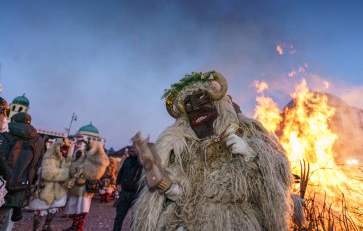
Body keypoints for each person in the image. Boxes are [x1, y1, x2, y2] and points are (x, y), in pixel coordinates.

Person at [132, 71, 293, 231]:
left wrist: (250, 153)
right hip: (192, 220)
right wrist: (174, 191)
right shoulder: (185, 149)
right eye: (188, 105)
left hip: (234, 222)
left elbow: (274, 177)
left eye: (202, 100)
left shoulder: (244, 134)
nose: (195, 108)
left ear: (217, 104)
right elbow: (178, 185)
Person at [0, 112, 45, 230]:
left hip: (2, 185)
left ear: (14, 121)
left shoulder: (4, 135)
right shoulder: (39, 141)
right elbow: (38, 166)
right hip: (20, 188)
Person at [63, 140, 109, 231]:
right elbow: (74, 167)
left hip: (86, 187)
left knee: (82, 207)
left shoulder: (99, 157)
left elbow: (98, 171)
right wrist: (77, 171)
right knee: (75, 207)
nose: (88, 147)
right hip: (77, 186)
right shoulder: (84, 156)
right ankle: (74, 226)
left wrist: (84, 172)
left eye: (90, 146)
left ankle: (79, 227)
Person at [28, 139, 72, 231]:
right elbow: (48, 174)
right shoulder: (50, 157)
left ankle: (47, 226)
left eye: (66, 149)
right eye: (62, 148)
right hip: (45, 189)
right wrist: (66, 173)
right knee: (40, 210)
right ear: (57, 148)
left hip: (59, 191)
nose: (64, 151)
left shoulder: (66, 160)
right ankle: (35, 228)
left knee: (53, 209)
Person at [112, 143, 142, 231]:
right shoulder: (127, 160)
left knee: (135, 219)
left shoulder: (143, 162)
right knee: (119, 218)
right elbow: (120, 173)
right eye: (132, 147)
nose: (131, 149)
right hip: (124, 193)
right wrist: (118, 183)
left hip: (137, 195)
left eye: (134, 148)